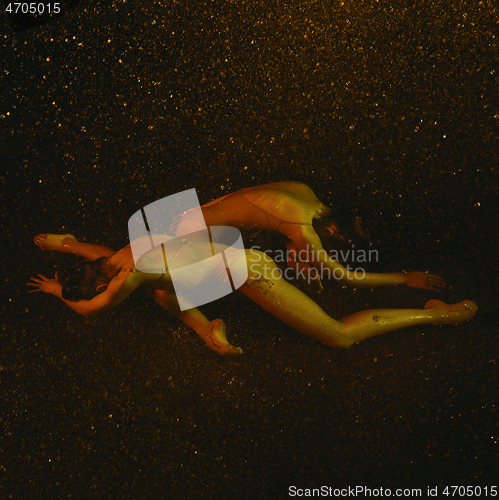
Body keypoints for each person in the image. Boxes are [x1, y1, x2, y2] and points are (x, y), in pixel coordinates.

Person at [28, 232, 477, 356]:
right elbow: (98, 253)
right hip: (228, 261)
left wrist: (57, 294)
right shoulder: (119, 258)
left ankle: (441, 315)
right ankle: (210, 333)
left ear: (109, 283)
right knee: (165, 295)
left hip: (251, 271)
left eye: (108, 289)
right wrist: (65, 245)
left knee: (338, 335)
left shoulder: (125, 279)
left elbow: (88, 309)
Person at [173, 181, 444, 292]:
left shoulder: (303, 190)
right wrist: (405, 278)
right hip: (182, 237)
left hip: (183, 214)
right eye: (339, 237)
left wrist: (294, 253)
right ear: (335, 228)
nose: (332, 235)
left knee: (269, 250)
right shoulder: (302, 227)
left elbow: (243, 202)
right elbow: (344, 276)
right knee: (262, 269)